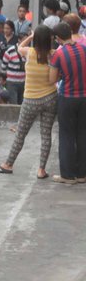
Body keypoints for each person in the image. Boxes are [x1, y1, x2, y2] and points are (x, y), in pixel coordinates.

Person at [0, 27, 56, 178]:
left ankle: (8, 164)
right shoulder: (53, 55)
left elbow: (19, 47)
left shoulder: (29, 52)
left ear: (36, 39)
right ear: (49, 39)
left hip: (31, 100)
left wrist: (30, 36)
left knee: (21, 134)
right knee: (46, 134)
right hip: (50, 97)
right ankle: (41, 170)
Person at [49, 22, 86, 184]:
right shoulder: (83, 49)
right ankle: (82, 174)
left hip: (68, 97)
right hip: (84, 97)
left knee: (66, 135)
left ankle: (68, 175)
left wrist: (61, 75)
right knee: (82, 134)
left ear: (57, 38)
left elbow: (52, 79)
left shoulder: (59, 54)